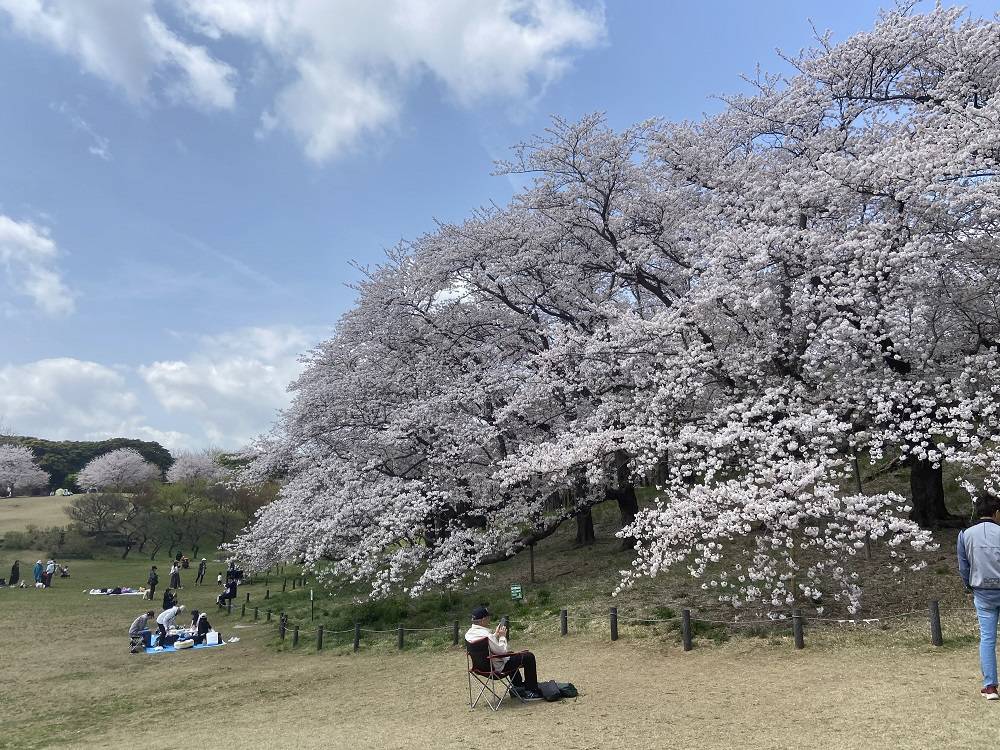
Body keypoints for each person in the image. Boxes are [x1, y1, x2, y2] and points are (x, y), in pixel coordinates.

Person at [959, 491, 1000, 700]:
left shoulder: (965, 535)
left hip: (982, 591)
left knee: (987, 639)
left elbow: (963, 567)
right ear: (996, 512)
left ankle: (990, 686)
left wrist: (969, 586)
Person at [464, 605, 542, 700]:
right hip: (497, 669)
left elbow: (484, 644)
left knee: (512, 655)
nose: (490, 620)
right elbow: (502, 652)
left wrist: (495, 635)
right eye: (488, 618)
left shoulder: (468, 635)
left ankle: (517, 687)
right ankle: (531, 691)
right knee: (529, 656)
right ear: (483, 620)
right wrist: (502, 637)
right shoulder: (486, 636)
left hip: (480, 668)